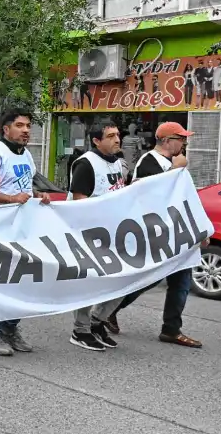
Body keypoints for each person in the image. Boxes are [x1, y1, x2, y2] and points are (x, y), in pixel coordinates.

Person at [107, 122, 202, 348]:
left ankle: (171, 329)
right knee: (147, 280)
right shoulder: (149, 162)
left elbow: (182, 199)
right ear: (167, 140)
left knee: (181, 281)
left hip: (176, 233)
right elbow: (149, 196)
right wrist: (174, 171)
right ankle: (108, 310)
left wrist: (197, 229)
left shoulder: (174, 163)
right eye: (181, 139)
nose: (185, 143)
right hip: (155, 234)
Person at [0, 109, 52, 356]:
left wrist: (38, 196)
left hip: (23, 227)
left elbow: (25, 187)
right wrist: (9, 199)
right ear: (6, 129)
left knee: (22, 282)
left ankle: (10, 328)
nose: (26, 130)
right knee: (0, 282)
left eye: (28, 125)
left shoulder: (26, 154)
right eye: (19, 125)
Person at [66, 120, 126, 351]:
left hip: (114, 234)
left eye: (117, 134)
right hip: (89, 235)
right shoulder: (86, 164)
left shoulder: (118, 164)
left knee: (123, 280)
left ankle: (97, 322)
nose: (117, 139)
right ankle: (80, 330)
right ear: (96, 141)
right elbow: (80, 202)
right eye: (110, 136)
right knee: (88, 285)